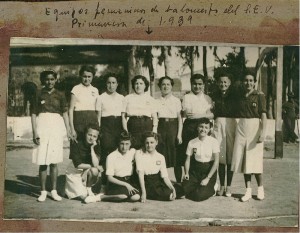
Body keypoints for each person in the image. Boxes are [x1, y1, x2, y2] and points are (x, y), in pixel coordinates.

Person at [31, 70, 71, 202]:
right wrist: (35, 132)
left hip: (56, 127)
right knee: (42, 161)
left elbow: (65, 113)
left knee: (54, 161)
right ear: (43, 80)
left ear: (55, 80)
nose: (50, 82)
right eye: (47, 79)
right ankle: (43, 191)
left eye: (52, 79)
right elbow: (33, 114)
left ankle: (53, 190)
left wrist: (68, 129)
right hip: (42, 126)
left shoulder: (60, 94)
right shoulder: (38, 93)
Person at [231, 71, 267, 202]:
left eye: (251, 80)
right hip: (242, 127)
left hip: (255, 128)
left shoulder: (259, 96)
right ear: (243, 82)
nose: (248, 83)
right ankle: (247, 190)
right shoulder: (239, 96)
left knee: (255, 161)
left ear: (254, 82)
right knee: (245, 161)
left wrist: (263, 133)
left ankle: (260, 189)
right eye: (246, 80)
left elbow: (263, 116)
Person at [176, 74, 214, 182]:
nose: (197, 86)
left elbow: (211, 115)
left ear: (203, 85)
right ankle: (188, 178)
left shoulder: (207, 98)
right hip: (190, 127)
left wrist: (199, 115)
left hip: (203, 127)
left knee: (201, 153)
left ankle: (200, 178)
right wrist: (204, 114)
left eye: (200, 84)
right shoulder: (187, 97)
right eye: (195, 84)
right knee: (189, 153)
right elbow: (189, 114)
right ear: (191, 84)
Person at [135, 132, 184, 202]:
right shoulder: (139, 154)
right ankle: (150, 193)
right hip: (146, 182)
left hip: (157, 181)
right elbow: (140, 174)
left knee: (181, 191)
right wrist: (143, 193)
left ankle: (166, 191)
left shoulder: (160, 157)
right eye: (147, 143)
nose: (149, 145)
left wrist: (172, 188)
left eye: (152, 142)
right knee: (169, 195)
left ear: (156, 142)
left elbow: (165, 176)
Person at [96, 74, 124, 193]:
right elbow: (98, 117)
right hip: (106, 127)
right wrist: (99, 131)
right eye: (109, 82)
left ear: (117, 84)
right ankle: (103, 185)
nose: (111, 85)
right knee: (106, 156)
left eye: (113, 83)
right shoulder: (101, 97)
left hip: (118, 126)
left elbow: (124, 116)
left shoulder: (122, 98)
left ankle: (115, 184)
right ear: (105, 84)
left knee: (118, 154)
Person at [212, 72, 237, 197]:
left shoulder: (234, 95)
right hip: (218, 124)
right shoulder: (214, 95)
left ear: (229, 83)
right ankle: (222, 185)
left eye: (225, 82)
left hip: (231, 123)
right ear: (218, 83)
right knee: (221, 156)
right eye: (221, 82)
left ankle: (229, 186)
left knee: (230, 156)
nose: (223, 84)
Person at [182, 118, 220, 202]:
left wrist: (208, 178)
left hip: (208, 170)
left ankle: (213, 188)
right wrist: (187, 173)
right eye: (201, 127)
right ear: (197, 128)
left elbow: (216, 162)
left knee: (198, 196)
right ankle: (199, 187)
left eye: (206, 127)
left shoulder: (213, 141)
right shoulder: (192, 142)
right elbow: (187, 159)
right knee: (183, 190)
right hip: (195, 171)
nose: (203, 129)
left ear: (210, 129)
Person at [65, 124, 103, 203]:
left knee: (95, 171)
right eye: (89, 134)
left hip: (86, 171)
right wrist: (91, 167)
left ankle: (89, 188)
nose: (91, 138)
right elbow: (78, 165)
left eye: (94, 136)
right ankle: (95, 196)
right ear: (85, 134)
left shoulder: (96, 145)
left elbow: (96, 165)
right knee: (83, 196)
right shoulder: (76, 143)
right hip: (74, 171)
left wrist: (92, 149)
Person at [99, 132, 140, 202]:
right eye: (122, 144)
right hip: (116, 182)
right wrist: (126, 185)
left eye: (127, 144)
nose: (124, 147)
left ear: (131, 144)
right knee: (122, 196)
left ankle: (122, 197)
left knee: (136, 197)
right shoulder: (111, 156)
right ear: (118, 143)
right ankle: (103, 197)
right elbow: (110, 178)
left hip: (129, 181)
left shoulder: (133, 152)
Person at [122, 75, 158, 149]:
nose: (138, 86)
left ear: (145, 85)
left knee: (146, 146)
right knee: (133, 146)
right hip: (133, 124)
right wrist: (125, 130)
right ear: (133, 85)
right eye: (136, 83)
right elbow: (123, 116)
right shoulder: (127, 98)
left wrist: (154, 129)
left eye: (141, 83)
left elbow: (154, 116)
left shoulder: (150, 99)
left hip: (147, 124)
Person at [156, 76, 183, 174]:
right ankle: (161, 180)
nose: (166, 86)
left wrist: (179, 134)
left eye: (168, 84)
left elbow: (180, 119)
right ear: (160, 86)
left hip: (173, 127)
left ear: (171, 86)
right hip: (161, 127)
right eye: (163, 84)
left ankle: (179, 181)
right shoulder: (156, 101)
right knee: (160, 152)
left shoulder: (176, 101)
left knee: (175, 155)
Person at [69, 65, 99, 143]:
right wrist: (72, 129)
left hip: (92, 120)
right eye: (84, 76)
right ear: (81, 76)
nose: (87, 79)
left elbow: (97, 110)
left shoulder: (95, 90)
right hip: (79, 120)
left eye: (89, 77)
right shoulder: (76, 89)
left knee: (91, 147)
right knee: (77, 145)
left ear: (93, 77)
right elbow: (71, 109)